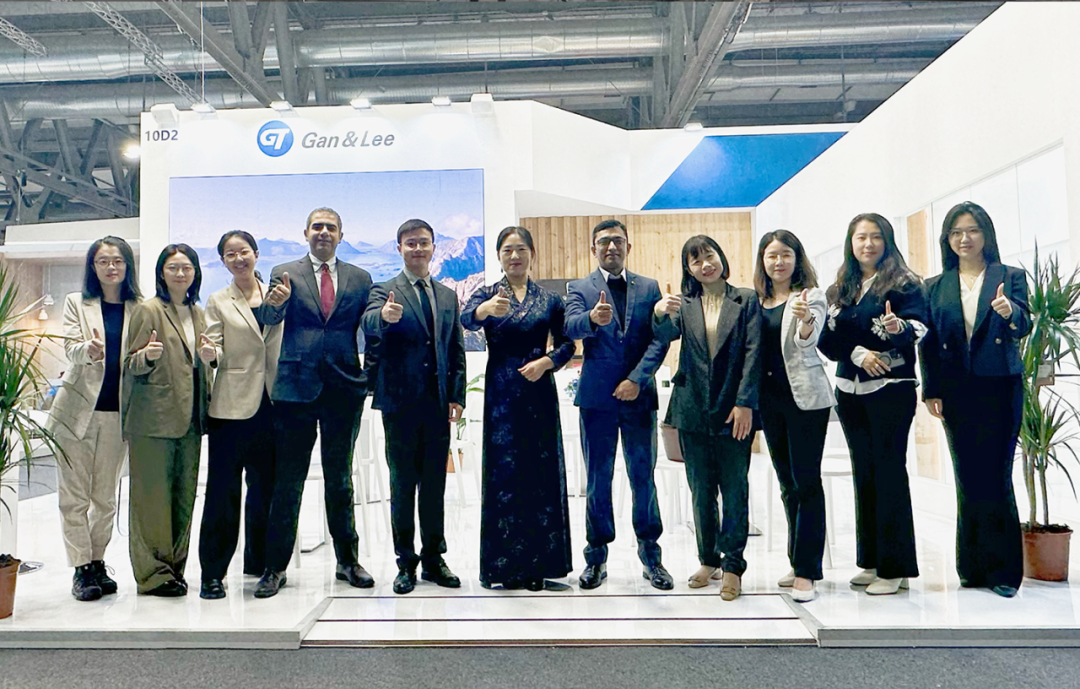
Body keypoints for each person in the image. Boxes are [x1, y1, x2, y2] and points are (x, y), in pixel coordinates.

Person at [255, 207, 375, 598]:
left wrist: (368, 376)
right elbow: (267, 317)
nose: (324, 232)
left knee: (340, 481)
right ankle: (275, 567)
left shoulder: (360, 278)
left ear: (341, 235)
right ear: (305, 232)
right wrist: (275, 301)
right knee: (288, 481)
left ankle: (348, 561)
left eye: (331, 227)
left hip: (343, 390)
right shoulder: (284, 272)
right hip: (295, 390)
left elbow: (371, 329)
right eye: (317, 227)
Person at [920, 202, 1030, 598]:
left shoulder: (1009, 276)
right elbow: (928, 342)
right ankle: (971, 567)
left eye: (972, 230)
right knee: (966, 476)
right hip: (956, 390)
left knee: (997, 475)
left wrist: (1010, 310)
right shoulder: (935, 285)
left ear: (986, 234)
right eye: (956, 232)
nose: (964, 239)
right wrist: (931, 389)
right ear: (947, 239)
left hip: (1000, 385)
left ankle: (1004, 572)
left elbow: (1024, 324)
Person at [461, 226, 576, 591]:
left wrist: (547, 363)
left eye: (521, 249)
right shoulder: (487, 293)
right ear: (499, 256)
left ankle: (540, 565)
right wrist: (483, 310)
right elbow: (465, 319)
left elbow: (568, 344)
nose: (515, 256)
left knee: (540, 475)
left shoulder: (550, 299)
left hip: (539, 391)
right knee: (504, 476)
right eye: (508, 250)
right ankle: (503, 567)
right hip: (501, 394)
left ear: (532, 254)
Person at [818, 213, 926, 596]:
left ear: (887, 241)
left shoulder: (905, 284)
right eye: (860, 237)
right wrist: (857, 353)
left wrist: (899, 329)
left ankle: (896, 567)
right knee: (863, 472)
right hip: (849, 390)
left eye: (876, 236)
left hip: (891, 388)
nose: (868, 244)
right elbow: (825, 338)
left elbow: (919, 328)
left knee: (889, 472)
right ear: (851, 243)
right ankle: (873, 560)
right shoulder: (838, 289)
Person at [564, 219, 672, 591]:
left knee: (643, 477)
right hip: (597, 399)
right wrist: (591, 319)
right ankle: (596, 558)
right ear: (593, 248)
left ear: (628, 246)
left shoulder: (650, 287)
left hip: (639, 397)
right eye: (603, 242)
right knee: (598, 478)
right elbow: (570, 327)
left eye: (617, 241)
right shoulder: (579, 288)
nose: (611, 247)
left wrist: (637, 379)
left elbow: (660, 340)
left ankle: (652, 557)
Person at [653, 235, 761, 601]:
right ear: (689, 269)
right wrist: (659, 313)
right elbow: (664, 336)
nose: (705, 264)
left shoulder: (745, 299)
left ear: (721, 257)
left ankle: (733, 566)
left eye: (709, 256)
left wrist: (745, 402)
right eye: (695, 260)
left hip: (734, 410)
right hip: (692, 410)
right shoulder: (684, 304)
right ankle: (708, 559)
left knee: (734, 489)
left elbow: (753, 352)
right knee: (701, 491)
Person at [362, 219, 467, 595]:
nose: (418, 249)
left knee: (435, 486)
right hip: (400, 404)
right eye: (410, 243)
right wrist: (383, 317)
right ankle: (405, 562)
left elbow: (454, 348)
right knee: (403, 485)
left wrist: (457, 395)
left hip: (437, 404)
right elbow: (368, 322)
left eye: (424, 243)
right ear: (400, 249)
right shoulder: (384, 290)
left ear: (434, 247)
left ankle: (434, 559)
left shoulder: (447, 295)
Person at [196, 231, 291, 600]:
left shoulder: (278, 293)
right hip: (231, 407)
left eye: (244, 252)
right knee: (223, 491)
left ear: (256, 254)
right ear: (223, 261)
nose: (239, 259)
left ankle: (262, 563)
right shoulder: (218, 300)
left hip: (274, 404)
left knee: (267, 489)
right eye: (230, 254)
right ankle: (213, 572)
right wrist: (210, 355)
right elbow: (214, 344)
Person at [47, 236, 141, 601]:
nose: (111, 267)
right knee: (74, 497)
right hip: (76, 414)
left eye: (117, 261)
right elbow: (70, 348)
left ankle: (98, 561)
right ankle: (81, 568)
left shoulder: (139, 307)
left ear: (127, 265)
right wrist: (88, 349)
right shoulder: (77, 302)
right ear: (93, 267)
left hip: (117, 415)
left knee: (105, 499)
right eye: (103, 261)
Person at [124, 244, 212, 596]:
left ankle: (175, 568)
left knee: (183, 496)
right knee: (152, 499)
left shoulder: (198, 313)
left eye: (186, 267)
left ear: (195, 273)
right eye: (173, 267)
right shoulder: (149, 310)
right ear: (162, 272)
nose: (180, 273)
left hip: (190, 419)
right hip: (153, 419)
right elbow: (129, 365)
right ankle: (153, 575)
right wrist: (146, 356)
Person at [753, 230, 834, 603]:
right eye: (772, 256)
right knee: (787, 484)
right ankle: (796, 560)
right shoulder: (757, 301)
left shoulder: (811, 296)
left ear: (797, 258)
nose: (779, 262)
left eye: (786, 254)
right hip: (769, 402)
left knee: (806, 482)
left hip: (806, 401)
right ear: (763, 261)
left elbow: (808, 341)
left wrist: (804, 322)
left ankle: (807, 571)